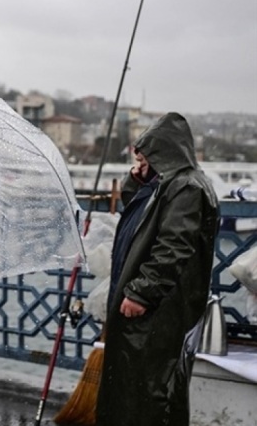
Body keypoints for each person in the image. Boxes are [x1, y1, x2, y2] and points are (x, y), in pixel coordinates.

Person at [97, 112, 219, 426]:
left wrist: (142, 292)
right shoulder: (168, 183)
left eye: (147, 154)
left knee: (152, 392)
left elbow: (174, 246)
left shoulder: (186, 187)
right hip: (149, 306)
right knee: (133, 388)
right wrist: (136, 179)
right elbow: (137, 215)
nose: (142, 159)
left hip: (160, 310)